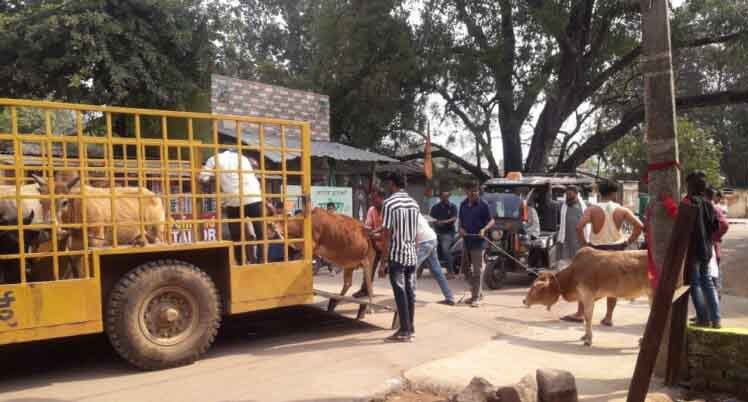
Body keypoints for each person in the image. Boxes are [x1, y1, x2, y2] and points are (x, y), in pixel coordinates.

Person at [560, 181, 644, 325]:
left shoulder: (592, 209)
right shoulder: (621, 210)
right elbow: (639, 226)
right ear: (614, 194)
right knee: (614, 284)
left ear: (600, 193)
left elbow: (579, 227)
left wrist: (585, 245)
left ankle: (580, 314)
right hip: (616, 251)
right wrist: (628, 242)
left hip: (596, 252)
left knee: (586, 283)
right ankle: (608, 317)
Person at [200, 148, 264, 264]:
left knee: (236, 236)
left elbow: (203, 178)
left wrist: (214, 180)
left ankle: (240, 262)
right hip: (254, 196)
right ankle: (262, 260)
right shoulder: (243, 158)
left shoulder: (213, 159)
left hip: (234, 201)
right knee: (260, 233)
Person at [379, 171, 420, 342]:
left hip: (397, 254)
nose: (386, 187)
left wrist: (383, 262)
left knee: (400, 292)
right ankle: (410, 326)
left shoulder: (389, 203)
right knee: (410, 291)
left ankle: (404, 331)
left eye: (386, 184)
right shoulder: (414, 203)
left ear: (391, 184)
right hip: (411, 254)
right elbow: (416, 231)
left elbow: (386, 234)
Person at [685, 172, 721, 329]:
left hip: (693, 250)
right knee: (708, 283)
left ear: (691, 186)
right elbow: (716, 227)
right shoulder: (708, 204)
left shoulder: (689, 203)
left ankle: (703, 317)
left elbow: (683, 228)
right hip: (706, 249)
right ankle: (716, 319)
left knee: (695, 284)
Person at [458, 183, 495, 307]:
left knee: (477, 270)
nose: (473, 194)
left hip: (479, 242)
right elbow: (460, 222)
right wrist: (461, 229)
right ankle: (477, 292)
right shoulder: (463, 204)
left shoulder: (483, 205)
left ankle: (476, 298)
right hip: (466, 241)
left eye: (476, 191)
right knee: (464, 269)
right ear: (466, 192)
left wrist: (484, 229)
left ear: (478, 192)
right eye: (471, 191)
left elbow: (492, 220)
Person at [415, 213, 456, 305]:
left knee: (410, 270)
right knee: (437, 271)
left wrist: (415, 247)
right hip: (432, 239)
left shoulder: (405, 214)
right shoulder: (416, 212)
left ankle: (409, 299)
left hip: (424, 242)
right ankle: (450, 297)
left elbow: (415, 234)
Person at [352, 189, 386, 298]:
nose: (372, 202)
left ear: (382, 198)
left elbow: (388, 231)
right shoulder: (372, 210)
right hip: (376, 244)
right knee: (368, 267)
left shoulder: (389, 210)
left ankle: (401, 294)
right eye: (371, 199)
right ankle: (365, 289)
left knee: (396, 271)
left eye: (374, 199)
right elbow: (367, 227)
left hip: (390, 245)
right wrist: (366, 231)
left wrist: (373, 234)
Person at [704, 187, 729, 301]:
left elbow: (724, 225)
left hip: (711, 247)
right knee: (712, 277)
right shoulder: (711, 207)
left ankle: (712, 312)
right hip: (712, 246)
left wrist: (713, 238)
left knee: (711, 278)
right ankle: (710, 311)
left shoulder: (712, 208)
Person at [556, 185, 589, 268]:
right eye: (567, 195)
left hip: (579, 240)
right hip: (566, 239)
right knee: (565, 263)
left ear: (576, 194)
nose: (568, 197)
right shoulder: (563, 205)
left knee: (579, 262)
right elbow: (549, 202)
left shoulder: (584, 206)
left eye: (570, 194)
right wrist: (548, 189)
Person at [430, 191, 459, 277]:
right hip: (436, 231)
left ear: (449, 196)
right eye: (443, 196)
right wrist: (435, 223)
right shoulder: (435, 207)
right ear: (440, 197)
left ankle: (451, 271)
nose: (445, 198)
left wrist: (444, 222)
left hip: (448, 233)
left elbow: (454, 218)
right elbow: (431, 218)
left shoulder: (453, 207)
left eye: (446, 196)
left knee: (445, 249)